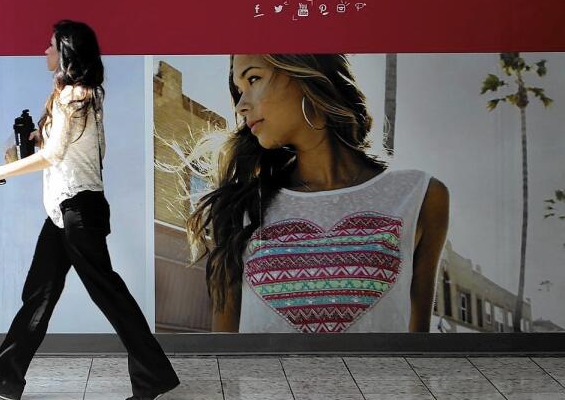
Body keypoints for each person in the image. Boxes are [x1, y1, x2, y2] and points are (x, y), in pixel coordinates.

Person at [0, 21, 178, 400]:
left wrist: (1, 172)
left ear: (65, 53)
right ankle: (5, 376)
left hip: (77, 211)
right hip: (68, 211)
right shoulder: (84, 95)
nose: (43, 52)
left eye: (49, 46)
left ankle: (154, 376)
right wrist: (36, 138)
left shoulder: (73, 96)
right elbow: (65, 150)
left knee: (109, 296)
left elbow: (54, 156)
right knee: (40, 292)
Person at [186, 55, 450, 333]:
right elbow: (224, 359)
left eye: (253, 79)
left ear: (305, 72)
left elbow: (418, 350)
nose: (241, 106)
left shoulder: (420, 196)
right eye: (239, 90)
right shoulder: (239, 208)